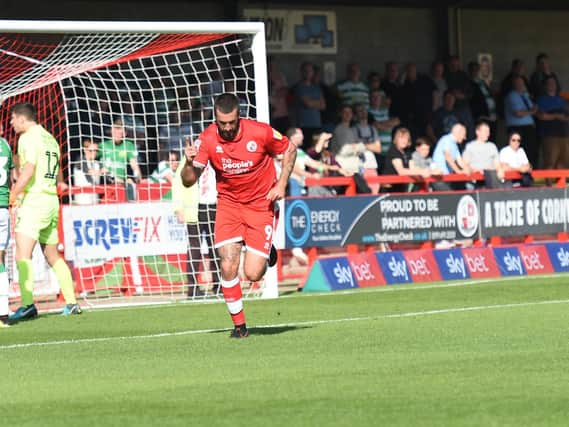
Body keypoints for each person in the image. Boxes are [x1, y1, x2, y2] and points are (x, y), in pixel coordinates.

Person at [181, 93, 296, 338]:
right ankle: (240, 326)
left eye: (232, 122)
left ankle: (265, 252)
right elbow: (189, 181)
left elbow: (290, 148)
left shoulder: (260, 132)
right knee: (228, 262)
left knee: (253, 273)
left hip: (260, 205)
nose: (228, 127)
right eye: (222, 123)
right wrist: (188, 163)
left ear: (239, 116)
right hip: (229, 206)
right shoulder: (208, 138)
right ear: (215, 119)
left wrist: (282, 183)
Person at [8, 102, 81, 322]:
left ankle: (28, 304)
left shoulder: (28, 138)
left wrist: (13, 194)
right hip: (51, 200)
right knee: (52, 255)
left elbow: (28, 170)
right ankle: (71, 302)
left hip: (36, 200)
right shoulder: (50, 138)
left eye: (12, 118)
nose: (11, 123)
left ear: (22, 119)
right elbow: (58, 170)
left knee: (22, 254)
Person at [172, 154, 206, 298]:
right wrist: (178, 208)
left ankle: (219, 285)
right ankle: (192, 288)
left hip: (213, 206)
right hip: (194, 209)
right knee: (194, 248)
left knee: (216, 247)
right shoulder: (187, 161)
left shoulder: (214, 156)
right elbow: (177, 184)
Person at [381, 127, 431, 193]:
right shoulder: (393, 150)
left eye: (406, 138)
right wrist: (421, 172)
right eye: (401, 138)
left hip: (402, 187)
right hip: (389, 188)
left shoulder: (407, 152)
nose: (404, 141)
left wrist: (425, 173)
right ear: (396, 139)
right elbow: (401, 171)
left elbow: (412, 169)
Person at [535, 76, 569, 170]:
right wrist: (556, 116)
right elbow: (541, 116)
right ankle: (549, 183)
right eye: (549, 83)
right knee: (550, 160)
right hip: (549, 134)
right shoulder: (541, 99)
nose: (552, 85)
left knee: (563, 160)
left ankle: (561, 183)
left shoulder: (561, 100)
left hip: (564, 134)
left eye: (553, 83)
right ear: (545, 86)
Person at [504, 76, 539, 167]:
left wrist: (531, 109)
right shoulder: (512, 95)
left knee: (531, 151)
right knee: (518, 152)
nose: (521, 85)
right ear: (514, 84)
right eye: (518, 83)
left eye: (522, 83)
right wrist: (531, 111)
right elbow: (518, 113)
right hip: (517, 129)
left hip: (529, 128)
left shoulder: (525, 95)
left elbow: (533, 108)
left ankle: (531, 173)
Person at [462, 120, 504, 189]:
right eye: (485, 131)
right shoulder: (470, 146)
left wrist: (499, 170)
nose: (488, 134)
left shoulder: (492, 146)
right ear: (477, 132)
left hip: (491, 180)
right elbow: (465, 164)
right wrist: (476, 170)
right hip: (475, 181)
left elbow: (497, 164)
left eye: (488, 131)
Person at [99, 119, 143, 184]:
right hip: (106, 182)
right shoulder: (103, 145)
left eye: (119, 133)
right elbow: (90, 157)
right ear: (111, 131)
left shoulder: (128, 145)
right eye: (114, 132)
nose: (116, 135)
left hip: (121, 183)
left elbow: (134, 165)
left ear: (125, 133)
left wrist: (139, 180)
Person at [432, 122, 470, 190]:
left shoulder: (455, 145)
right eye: (463, 135)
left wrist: (467, 169)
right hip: (439, 178)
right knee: (450, 197)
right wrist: (458, 171)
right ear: (458, 133)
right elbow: (447, 156)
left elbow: (460, 161)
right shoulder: (446, 139)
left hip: (447, 178)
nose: (465, 138)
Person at [0, 123, 12, 327]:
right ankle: (3, 312)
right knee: (1, 257)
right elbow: (11, 178)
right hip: (3, 207)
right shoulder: (5, 145)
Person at [72, 139, 107, 205]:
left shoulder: (97, 163)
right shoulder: (80, 161)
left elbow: (107, 174)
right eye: (91, 151)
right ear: (85, 150)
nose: (94, 153)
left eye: (96, 150)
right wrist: (101, 172)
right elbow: (88, 171)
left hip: (95, 201)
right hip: (81, 202)